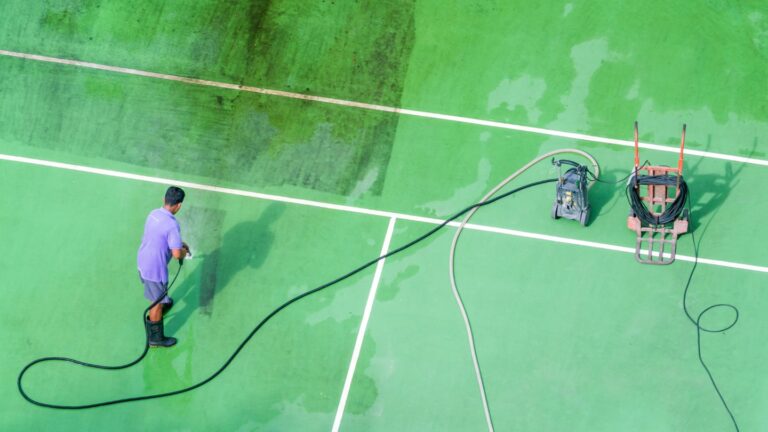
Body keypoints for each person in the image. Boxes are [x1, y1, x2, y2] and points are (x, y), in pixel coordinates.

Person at [137, 186, 190, 347]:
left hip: (142, 261)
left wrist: (179, 244)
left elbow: (159, 236)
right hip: (155, 270)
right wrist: (183, 252)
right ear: (179, 205)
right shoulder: (172, 225)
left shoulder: (153, 214)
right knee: (156, 303)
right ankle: (156, 339)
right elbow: (176, 254)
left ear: (164, 199)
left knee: (158, 297)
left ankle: (162, 303)